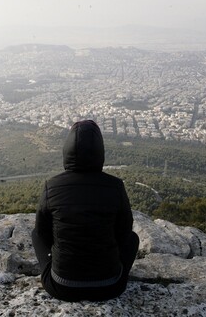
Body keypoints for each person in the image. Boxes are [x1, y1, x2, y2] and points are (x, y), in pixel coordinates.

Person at [32, 120, 139, 302]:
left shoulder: (52, 186)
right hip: (110, 286)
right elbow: (124, 233)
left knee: (35, 234)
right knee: (133, 239)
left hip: (61, 286)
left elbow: (42, 232)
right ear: (100, 153)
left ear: (66, 153)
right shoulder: (115, 186)